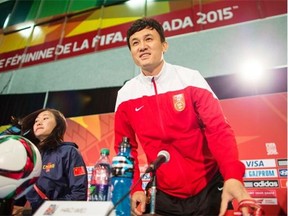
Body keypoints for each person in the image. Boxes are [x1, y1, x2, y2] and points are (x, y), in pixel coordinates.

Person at [114, 18, 254, 216]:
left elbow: (218, 129)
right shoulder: (126, 94)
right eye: (135, 43)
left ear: (164, 45)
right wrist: (134, 187)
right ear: (131, 53)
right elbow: (124, 148)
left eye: (148, 39)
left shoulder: (190, 78)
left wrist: (232, 175)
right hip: (162, 192)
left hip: (209, 187)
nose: (142, 47)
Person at [11, 108, 88, 214]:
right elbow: (22, 193)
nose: (39, 122)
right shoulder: (30, 157)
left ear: (58, 125)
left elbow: (79, 194)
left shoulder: (69, 152)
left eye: (45, 118)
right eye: (36, 121)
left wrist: (47, 211)